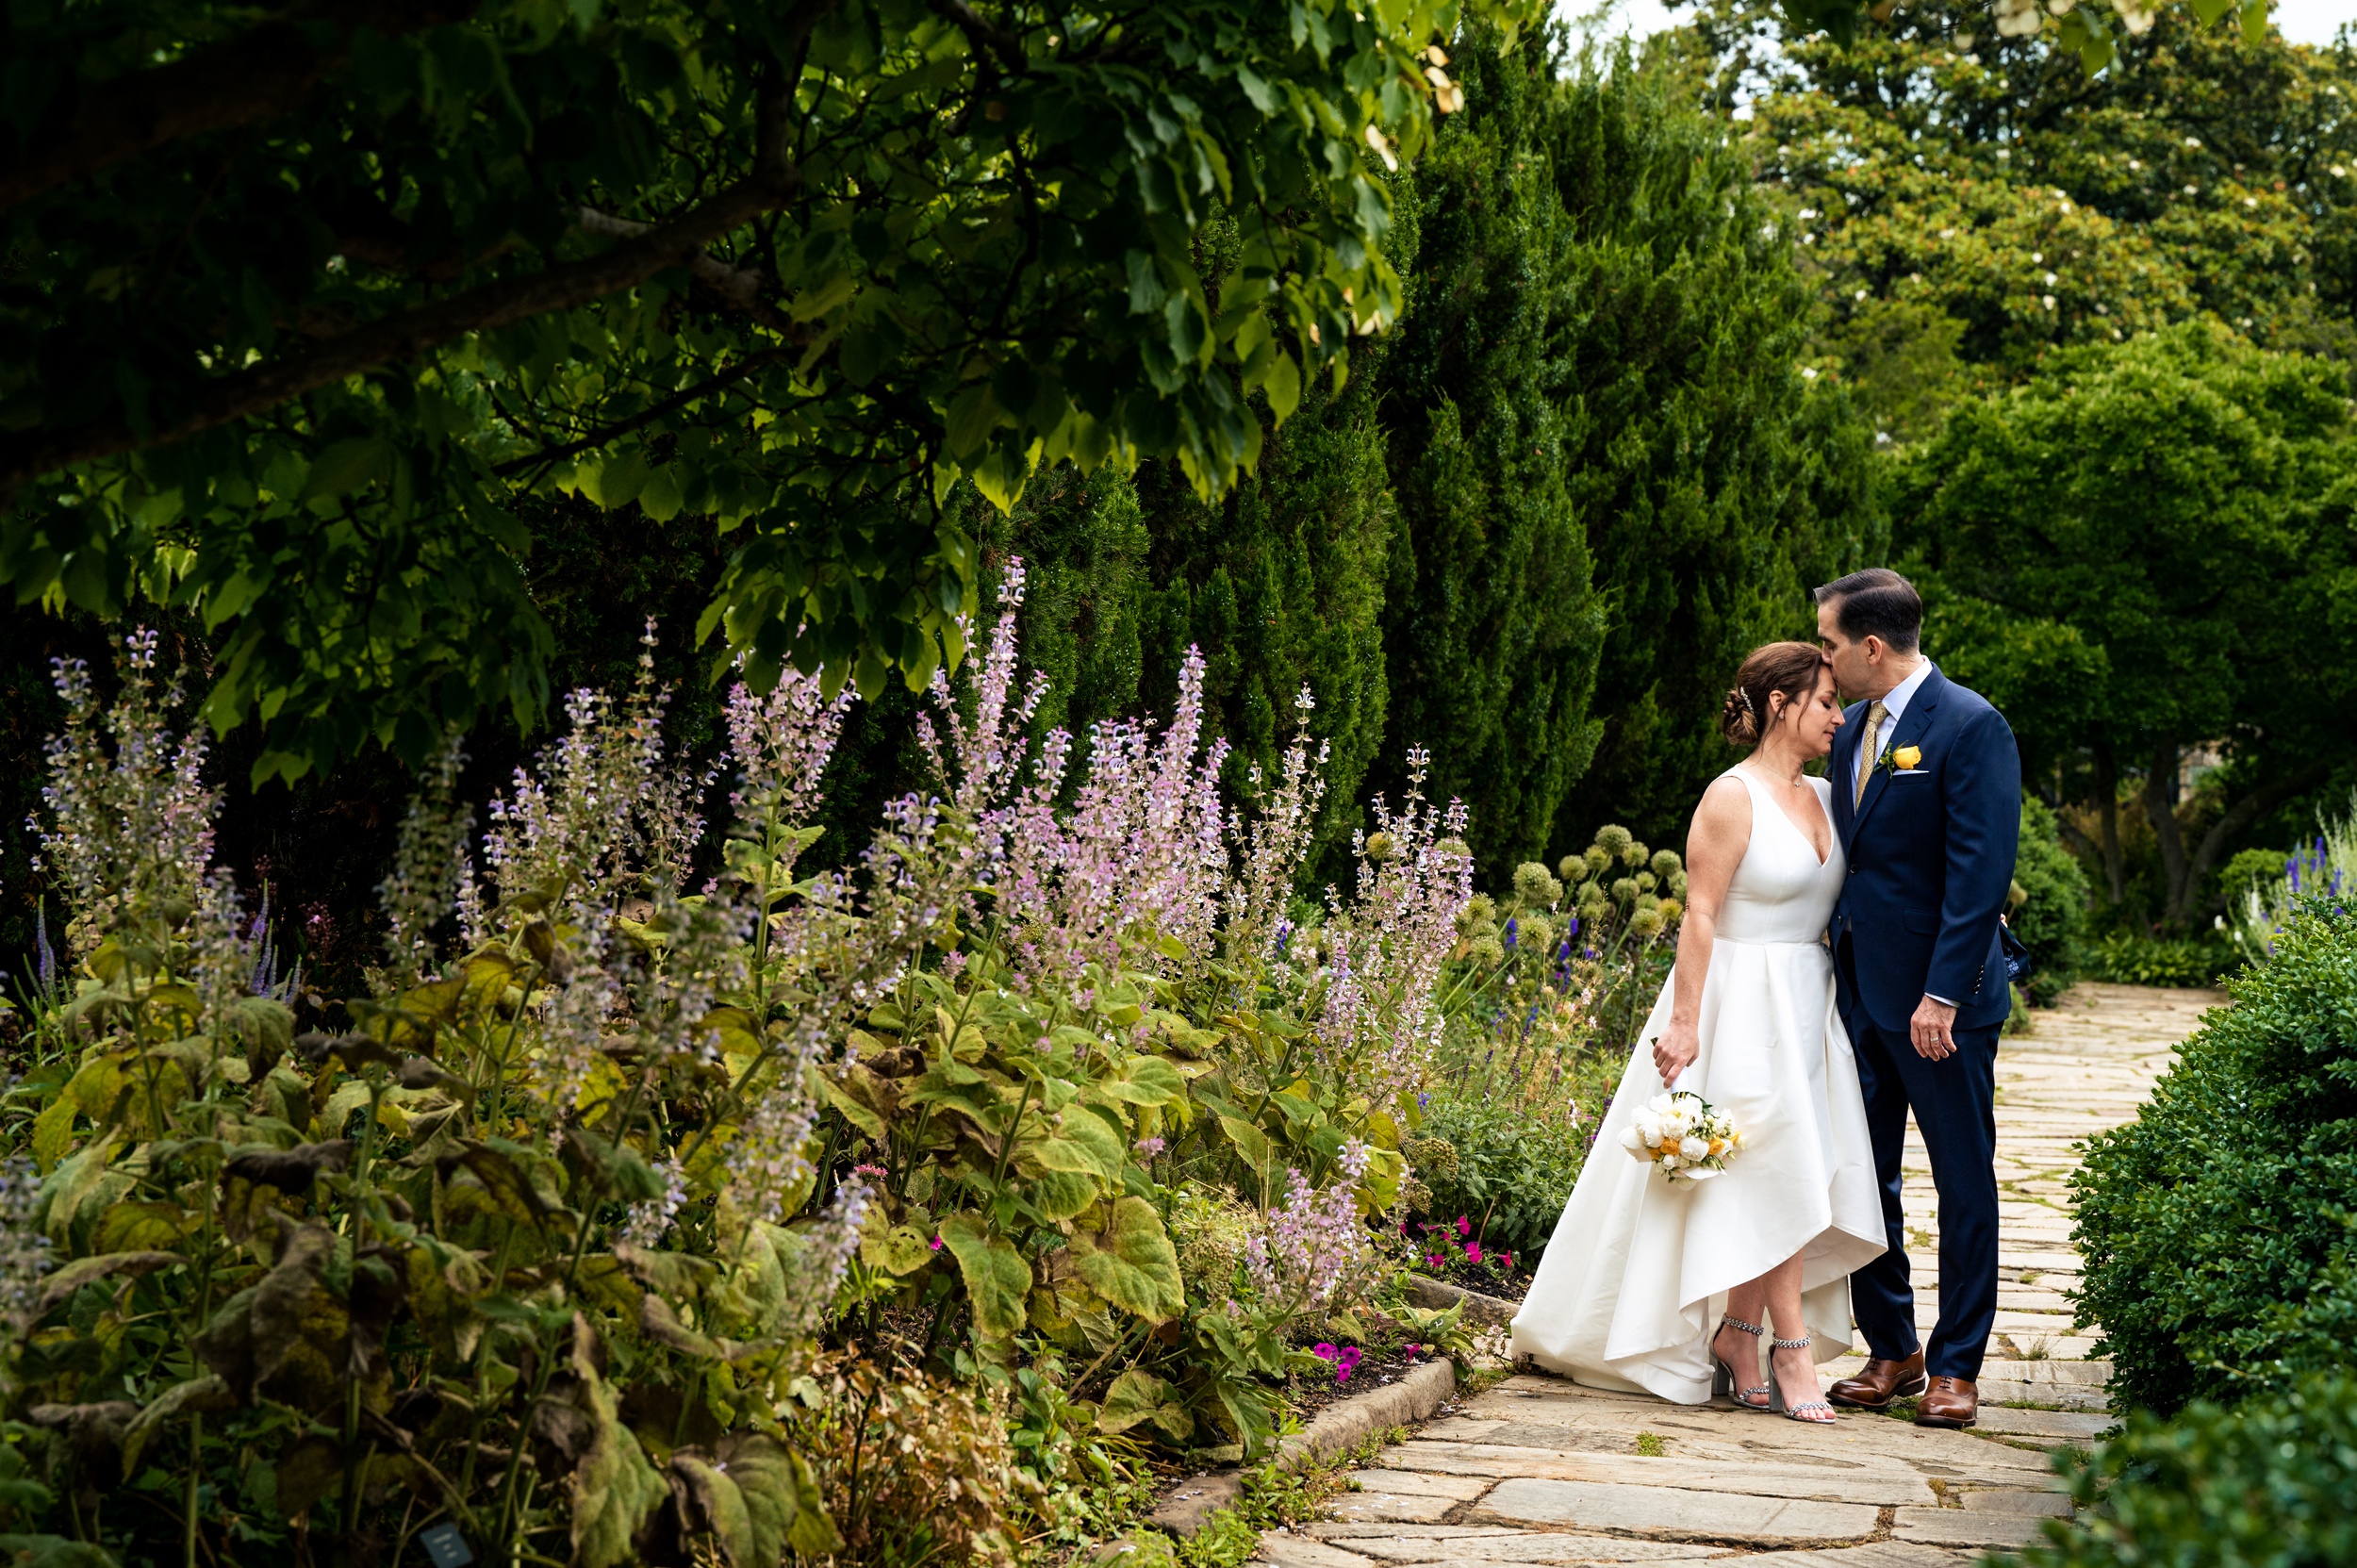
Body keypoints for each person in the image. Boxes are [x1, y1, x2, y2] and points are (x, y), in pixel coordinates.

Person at [1509, 642, 1885, 1420]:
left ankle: (1738, 1334)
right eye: (1825, 703)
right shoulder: (1730, 796)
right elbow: (1701, 914)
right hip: (1736, 1002)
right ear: (1781, 704)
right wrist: (1685, 1021)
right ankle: (1793, 1349)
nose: (1839, 718)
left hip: (1808, 1003)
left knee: (1792, 1171)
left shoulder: (1824, 792)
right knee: (1773, 1167)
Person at [1814, 568, 2019, 1430]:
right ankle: (1892, 1347)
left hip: (1943, 1005)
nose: (1821, 660)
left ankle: (1958, 1363)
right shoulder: (1850, 727)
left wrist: (1940, 993)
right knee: (1868, 1176)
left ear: (1870, 645)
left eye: (1828, 643)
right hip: (1858, 992)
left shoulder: (1971, 725)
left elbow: (1980, 877)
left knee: (1961, 1176)